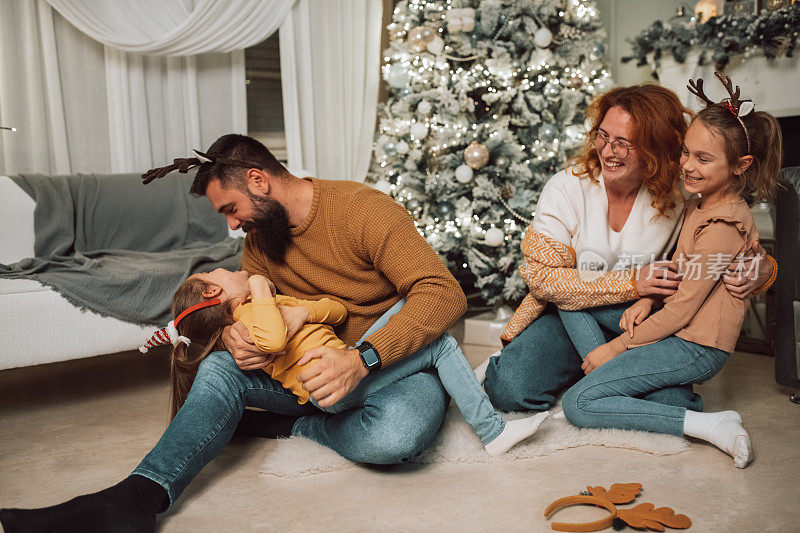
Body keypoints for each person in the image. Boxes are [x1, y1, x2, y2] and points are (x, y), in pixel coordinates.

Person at [0, 134, 469, 532]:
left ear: (258, 181)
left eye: (231, 207)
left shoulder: (363, 211)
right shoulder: (259, 243)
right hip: (307, 373)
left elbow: (443, 293)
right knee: (221, 367)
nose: (231, 224)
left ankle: (297, 426)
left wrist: (360, 359)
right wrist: (231, 339)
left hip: (389, 366)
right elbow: (249, 310)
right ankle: (139, 495)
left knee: (398, 437)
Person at [478, 84, 776, 414]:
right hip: (571, 315)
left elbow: (720, 247)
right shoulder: (567, 188)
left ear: (655, 147)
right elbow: (542, 280)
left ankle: (596, 375)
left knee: (674, 404)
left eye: (623, 143)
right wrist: (632, 283)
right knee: (509, 390)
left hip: (642, 318)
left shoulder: (683, 192)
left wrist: (763, 271)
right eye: (603, 136)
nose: (607, 150)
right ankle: (593, 372)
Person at [560, 72, 782, 469]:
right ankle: (621, 387)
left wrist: (616, 348)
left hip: (695, 345)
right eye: (686, 153)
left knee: (579, 404)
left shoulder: (722, 225)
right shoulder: (700, 202)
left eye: (703, 159)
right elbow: (679, 272)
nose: (687, 166)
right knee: (570, 295)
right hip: (673, 323)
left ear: (740, 165)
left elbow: (683, 310)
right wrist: (646, 298)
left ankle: (708, 425)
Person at [155, 269, 548, 456]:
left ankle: (458, 381)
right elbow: (272, 339)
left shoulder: (269, 308)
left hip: (343, 362)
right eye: (218, 272)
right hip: (328, 387)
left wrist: (303, 314)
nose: (233, 268)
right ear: (213, 289)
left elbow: (336, 312)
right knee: (440, 344)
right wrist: (258, 283)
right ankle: (492, 431)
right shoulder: (250, 315)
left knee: (408, 310)